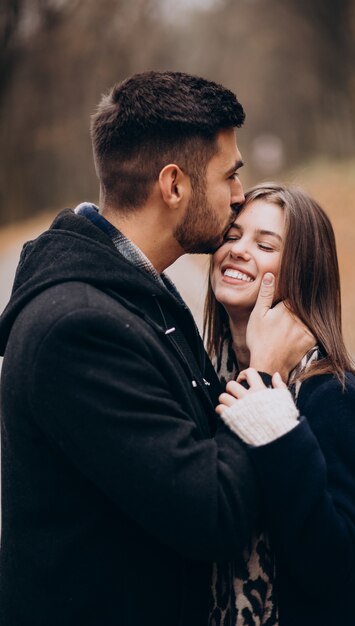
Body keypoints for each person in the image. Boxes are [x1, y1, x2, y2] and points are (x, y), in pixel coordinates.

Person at [0, 73, 313, 625]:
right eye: (230, 175)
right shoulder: (78, 330)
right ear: (174, 185)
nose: (240, 195)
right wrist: (265, 372)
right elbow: (213, 515)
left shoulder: (143, 288)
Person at [205, 183, 355, 626]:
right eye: (232, 235)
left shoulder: (333, 395)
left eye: (265, 244)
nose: (238, 250)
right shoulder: (206, 378)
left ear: (301, 273)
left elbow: (332, 566)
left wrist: (273, 419)